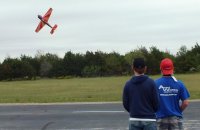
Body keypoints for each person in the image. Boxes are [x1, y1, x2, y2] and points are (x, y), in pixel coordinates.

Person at [123, 58, 159, 130]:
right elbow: (156, 102)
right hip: (149, 119)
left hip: (134, 118)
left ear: (133, 67)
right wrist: (151, 111)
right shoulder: (151, 82)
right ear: (145, 68)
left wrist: (134, 111)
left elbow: (125, 103)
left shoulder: (128, 84)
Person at [155, 58, 190, 130]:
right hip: (175, 118)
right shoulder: (179, 84)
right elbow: (186, 102)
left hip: (160, 118)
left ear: (161, 69)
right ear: (172, 69)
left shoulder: (155, 83)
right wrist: (178, 111)